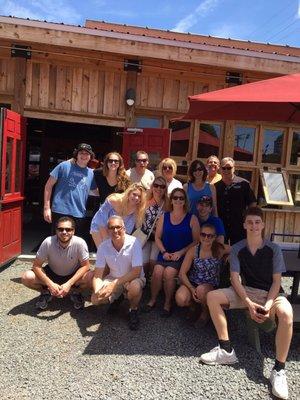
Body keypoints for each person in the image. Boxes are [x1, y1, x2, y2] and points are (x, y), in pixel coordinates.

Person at [200, 207, 293, 400]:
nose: (254, 226)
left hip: (271, 294)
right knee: (212, 297)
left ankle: (279, 369)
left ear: (263, 225)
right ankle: (226, 350)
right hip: (247, 292)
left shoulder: (273, 249)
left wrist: (268, 305)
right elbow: (235, 279)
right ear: (244, 225)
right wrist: (249, 304)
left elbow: (277, 282)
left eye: (257, 222)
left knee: (287, 314)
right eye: (250, 222)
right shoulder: (237, 248)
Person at [144, 188, 200, 317]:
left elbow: (196, 241)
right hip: (165, 253)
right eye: (175, 198)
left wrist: (181, 252)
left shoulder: (192, 218)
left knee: (169, 272)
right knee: (157, 271)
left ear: (185, 200)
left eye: (181, 198)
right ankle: (152, 300)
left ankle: (167, 303)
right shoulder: (165, 216)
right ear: (172, 200)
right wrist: (163, 251)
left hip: (182, 256)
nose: (178, 200)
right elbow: (157, 237)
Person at [21, 216, 92, 310]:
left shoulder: (80, 243)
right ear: (56, 231)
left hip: (73, 274)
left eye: (68, 229)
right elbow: (36, 266)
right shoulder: (48, 242)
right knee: (26, 277)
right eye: (60, 229)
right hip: (52, 273)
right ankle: (46, 292)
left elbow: (86, 266)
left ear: (73, 231)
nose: (64, 232)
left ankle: (75, 292)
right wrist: (49, 283)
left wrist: (69, 283)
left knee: (92, 277)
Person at [91, 215, 145, 330]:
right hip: (114, 278)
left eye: (118, 227)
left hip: (132, 278)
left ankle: (133, 309)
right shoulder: (103, 247)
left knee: (134, 288)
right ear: (108, 230)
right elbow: (97, 275)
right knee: (95, 300)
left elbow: (136, 272)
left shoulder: (134, 242)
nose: (115, 230)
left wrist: (113, 285)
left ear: (124, 228)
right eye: (111, 228)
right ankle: (118, 297)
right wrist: (98, 291)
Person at [176, 224, 227, 326]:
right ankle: (194, 306)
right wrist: (191, 288)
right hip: (193, 282)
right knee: (180, 299)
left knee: (201, 290)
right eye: (203, 235)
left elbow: (236, 250)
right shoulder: (194, 250)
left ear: (214, 237)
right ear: (199, 236)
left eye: (210, 236)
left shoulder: (220, 249)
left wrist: (229, 259)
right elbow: (182, 273)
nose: (206, 238)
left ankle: (205, 312)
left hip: (210, 285)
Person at [43, 143, 97, 238]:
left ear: (90, 157)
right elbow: (48, 186)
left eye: (87, 154)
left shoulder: (91, 173)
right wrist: (46, 208)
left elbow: (95, 191)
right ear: (76, 154)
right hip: (60, 211)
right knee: (57, 243)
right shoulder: (64, 166)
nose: (84, 156)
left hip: (79, 213)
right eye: (81, 153)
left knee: (74, 244)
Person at [215, 157, 256, 244]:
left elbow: (252, 204)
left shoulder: (244, 184)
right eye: (223, 168)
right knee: (221, 251)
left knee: (239, 251)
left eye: (229, 168)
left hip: (239, 225)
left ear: (234, 168)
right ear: (220, 169)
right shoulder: (216, 187)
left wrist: (249, 221)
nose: (226, 170)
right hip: (222, 226)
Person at [90, 183, 147, 247]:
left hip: (115, 231)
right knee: (104, 250)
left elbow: (127, 231)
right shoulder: (114, 200)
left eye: (139, 196)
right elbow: (100, 220)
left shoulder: (137, 210)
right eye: (134, 194)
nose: (136, 198)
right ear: (129, 193)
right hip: (99, 226)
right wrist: (107, 241)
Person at [141, 176, 169, 277]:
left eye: (162, 186)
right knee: (144, 262)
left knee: (153, 261)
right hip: (145, 236)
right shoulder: (144, 201)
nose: (159, 188)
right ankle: (143, 281)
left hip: (158, 238)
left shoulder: (168, 204)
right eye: (156, 185)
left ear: (165, 189)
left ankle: (150, 282)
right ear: (152, 187)